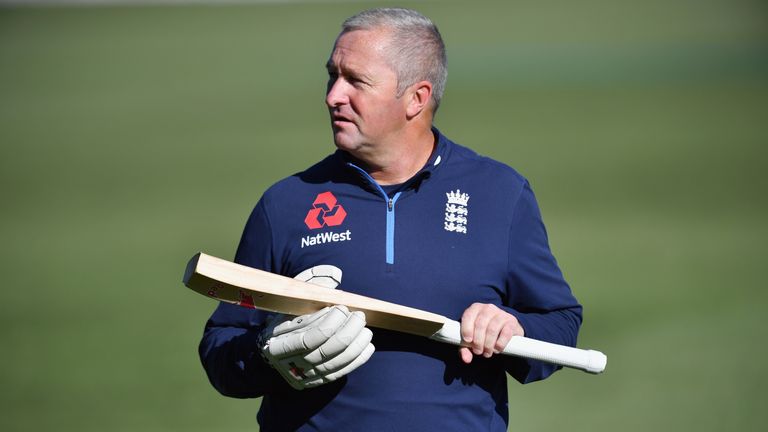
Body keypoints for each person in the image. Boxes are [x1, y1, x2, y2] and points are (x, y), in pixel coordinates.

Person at [199, 7, 582, 431]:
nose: (333, 95)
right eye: (333, 75)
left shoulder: (500, 194)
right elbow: (221, 349)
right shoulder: (286, 204)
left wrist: (513, 327)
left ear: (416, 98)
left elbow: (560, 323)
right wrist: (266, 353)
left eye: (356, 81)